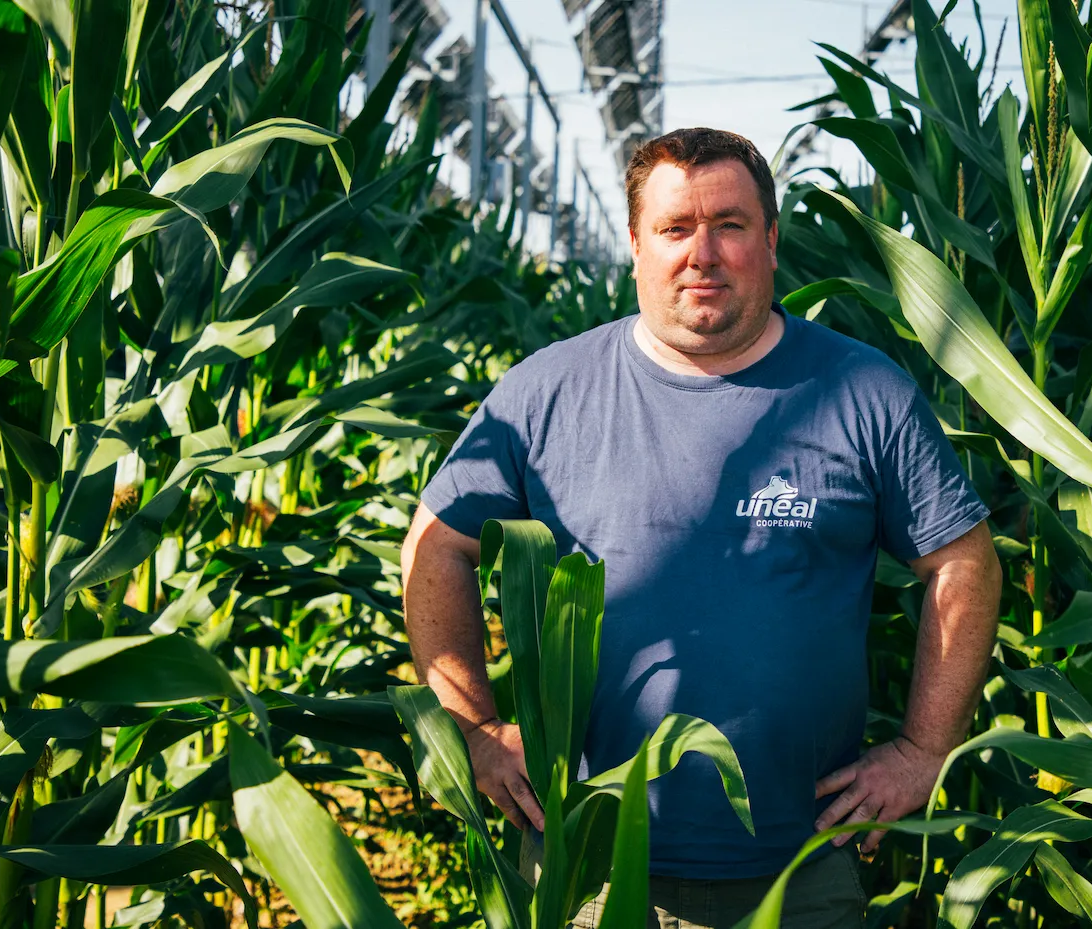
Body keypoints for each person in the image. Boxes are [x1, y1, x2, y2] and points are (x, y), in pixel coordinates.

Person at [401, 127, 1002, 928]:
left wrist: (924, 749)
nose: (703, 253)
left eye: (729, 225)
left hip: (802, 871)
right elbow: (436, 546)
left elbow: (964, 560)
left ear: (773, 239)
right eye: (675, 229)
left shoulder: (861, 391)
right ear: (635, 245)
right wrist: (473, 728)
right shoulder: (546, 394)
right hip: (592, 870)